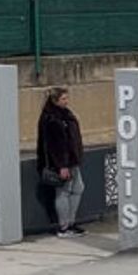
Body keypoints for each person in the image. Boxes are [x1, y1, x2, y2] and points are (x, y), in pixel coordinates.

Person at [36, 87, 86, 238]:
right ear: (55, 100)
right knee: (63, 191)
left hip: (72, 160)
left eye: (66, 98)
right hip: (62, 163)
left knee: (78, 188)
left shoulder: (65, 114)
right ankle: (64, 226)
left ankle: (70, 222)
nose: (66, 101)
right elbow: (54, 145)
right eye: (63, 99)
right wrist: (62, 166)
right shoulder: (51, 118)